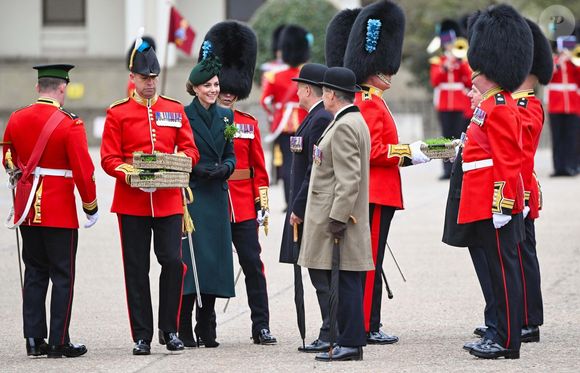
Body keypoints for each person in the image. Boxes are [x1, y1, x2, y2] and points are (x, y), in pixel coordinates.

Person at [101, 38, 199, 355]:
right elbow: (109, 158)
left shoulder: (173, 109)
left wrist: (178, 163)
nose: (150, 84)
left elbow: (190, 150)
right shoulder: (118, 113)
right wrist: (131, 174)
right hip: (133, 203)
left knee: (172, 262)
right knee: (136, 268)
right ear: (133, 77)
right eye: (144, 78)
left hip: (169, 199)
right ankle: (142, 334)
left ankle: (168, 329)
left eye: (153, 78)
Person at [343, 0, 430, 345]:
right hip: (375, 192)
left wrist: (411, 154)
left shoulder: (375, 100)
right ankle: (365, 325)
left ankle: (370, 321)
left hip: (383, 191)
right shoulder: (367, 102)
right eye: (385, 67)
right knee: (369, 262)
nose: (390, 72)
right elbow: (372, 151)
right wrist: (408, 153)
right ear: (372, 66)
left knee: (374, 261)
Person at [2, 64, 98, 358]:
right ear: (62, 88)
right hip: (59, 212)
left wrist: (17, 172)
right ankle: (58, 340)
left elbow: (7, 154)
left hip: (27, 209)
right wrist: (90, 205)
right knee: (62, 275)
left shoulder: (17, 117)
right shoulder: (70, 123)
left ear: (37, 88)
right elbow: (83, 171)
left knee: (34, 273)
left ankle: (33, 340)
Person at [458, 4, 533, 359]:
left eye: (477, 71)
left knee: (504, 272)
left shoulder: (501, 107)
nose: (473, 75)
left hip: (495, 201)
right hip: (482, 198)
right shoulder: (489, 105)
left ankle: (506, 341)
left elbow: (508, 160)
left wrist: (503, 203)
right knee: (496, 269)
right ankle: (499, 334)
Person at [201, 20, 277, 345]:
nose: (228, 92)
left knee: (252, 266)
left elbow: (260, 169)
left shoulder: (247, 123)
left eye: (233, 87)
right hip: (213, 204)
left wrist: (263, 205)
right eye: (223, 86)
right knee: (210, 267)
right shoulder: (199, 121)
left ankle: (261, 325)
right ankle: (206, 328)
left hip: (244, 206)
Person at [298, 66, 373, 362]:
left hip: (340, 220)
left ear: (330, 94)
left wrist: (338, 218)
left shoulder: (343, 126)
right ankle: (348, 340)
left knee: (345, 282)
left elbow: (349, 178)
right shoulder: (351, 120)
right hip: (341, 216)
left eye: (325, 91)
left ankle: (351, 342)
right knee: (345, 280)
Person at [180, 50, 236, 348]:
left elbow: (230, 152)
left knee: (214, 262)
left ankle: (207, 324)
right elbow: (178, 151)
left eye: (215, 84)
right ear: (195, 88)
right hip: (193, 195)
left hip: (217, 195)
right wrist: (197, 168)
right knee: (192, 260)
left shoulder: (227, 116)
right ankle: (184, 324)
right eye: (207, 86)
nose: (213, 90)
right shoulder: (183, 116)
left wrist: (226, 168)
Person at [279, 63, 333, 352]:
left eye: (299, 86)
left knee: (320, 273)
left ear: (309, 89)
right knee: (316, 272)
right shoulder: (312, 118)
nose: (296, 90)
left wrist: (297, 207)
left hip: (312, 208)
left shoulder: (320, 120)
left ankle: (329, 330)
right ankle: (328, 329)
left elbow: (315, 169)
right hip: (306, 205)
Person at [509, 18, 552, 343]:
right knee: (516, 255)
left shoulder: (528, 105)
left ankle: (528, 320)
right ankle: (516, 315)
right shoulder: (516, 104)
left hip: (521, 190)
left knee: (523, 256)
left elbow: (519, 150)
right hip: (517, 188)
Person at [260, 24, 310, 206]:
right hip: (305, 123)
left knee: (288, 163)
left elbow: (265, 101)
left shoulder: (274, 76)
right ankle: (303, 200)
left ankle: (290, 202)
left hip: (284, 126)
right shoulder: (308, 74)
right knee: (305, 162)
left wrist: (275, 114)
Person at [429, 19, 472, 179]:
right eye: (447, 43)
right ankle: (447, 169)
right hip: (445, 104)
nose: (450, 45)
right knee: (446, 137)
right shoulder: (437, 61)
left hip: (460, 104)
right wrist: (445, 67)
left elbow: (468, 81)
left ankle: (459, 168)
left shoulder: (463, 60)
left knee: (460, 137)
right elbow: (435, 81)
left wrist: (460, 64)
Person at [546, 31, 580, 176]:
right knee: (558, 137)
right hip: (556, 104)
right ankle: (559, 167)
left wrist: (572, 61)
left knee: (572, 137)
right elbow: (547, 77)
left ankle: (572, 166)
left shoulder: (575, 61)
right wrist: (559, 62)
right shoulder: (553, 61)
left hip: (572, 104)